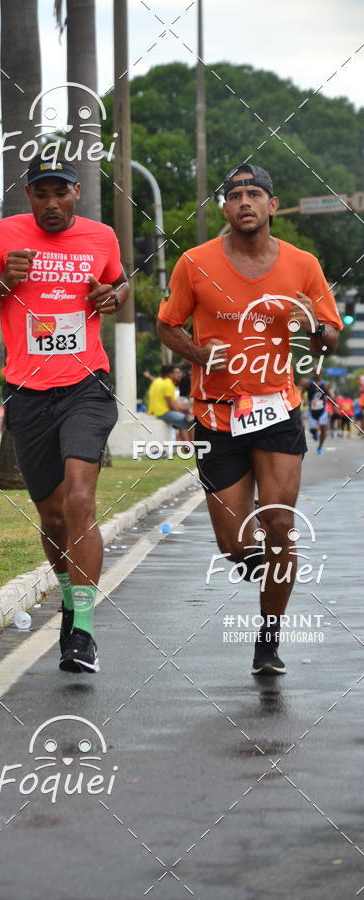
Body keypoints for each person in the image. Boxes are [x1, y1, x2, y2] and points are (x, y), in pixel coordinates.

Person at [157, 163, 342, 676]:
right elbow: (167, 325)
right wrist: (197, 354)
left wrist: (313, 324)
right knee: (235, 544)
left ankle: (269, 638)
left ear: (272, 205)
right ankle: (264, 570)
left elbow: (330, 336)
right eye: (235, 195)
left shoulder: (303, 264)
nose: (245, 202)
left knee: (279, 523)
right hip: (216, 417)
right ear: (224, 208)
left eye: (254, 193)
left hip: (276, 408)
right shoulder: (194, 263)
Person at [0, 154, 129, 674]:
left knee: (80, 500)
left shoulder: (101, 237)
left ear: (76, 192)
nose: (52, 203)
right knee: (53, 517)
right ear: (28, 196)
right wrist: (1, 283)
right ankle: (69, 598)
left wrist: (112, 297)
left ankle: (83, 631)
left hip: (86, 386)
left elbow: (119, 285)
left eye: (61, 192)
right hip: (27, 393)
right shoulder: (3, 236)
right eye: (41, 193)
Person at [147, 364, 193, 441]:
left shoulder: (158, 382)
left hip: (155, 412)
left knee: (185, 419)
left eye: (180, 372)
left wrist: (185, 409)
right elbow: (173, 406)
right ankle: (193, 445)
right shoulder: (168, 384)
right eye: (176, 372)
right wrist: (185, 412)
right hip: (162, 413)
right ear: (170, 374)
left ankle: (187, 445)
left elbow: (174, 404)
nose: (180, 374)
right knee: (191, 421)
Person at [306, 373, 329, 454]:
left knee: (324, 428)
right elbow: (302, 392)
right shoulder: (308, 383)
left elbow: (329, 395)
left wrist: (335, 405)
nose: (317, 374)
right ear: (313, 373)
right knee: (312, 429)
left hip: (322, 410)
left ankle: (320, 447)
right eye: (315, 371)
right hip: (312, 410)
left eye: (319, 372)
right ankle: (314, 433)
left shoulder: (325, 384)